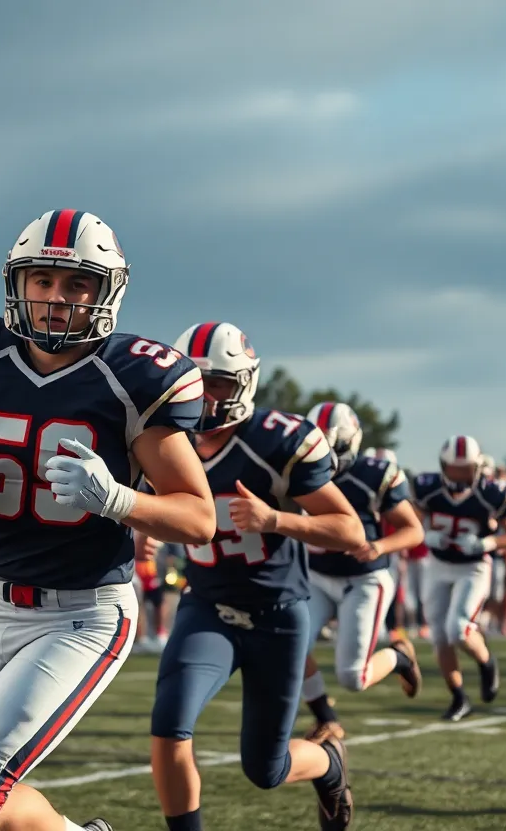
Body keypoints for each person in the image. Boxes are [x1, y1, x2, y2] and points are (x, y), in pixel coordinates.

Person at [0, 209, 216, 831]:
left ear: (106, 292)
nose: (56, 298)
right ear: (19, 283)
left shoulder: (134, 378)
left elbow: (199, 518)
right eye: (43, 281)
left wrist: (119, 499)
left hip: (81, 611)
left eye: (77, 285)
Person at [141, 321, 363, 831]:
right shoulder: (158, 435)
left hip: (276, 617)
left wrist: (275, 520)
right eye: (192, 379)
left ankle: (329, 765)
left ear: (243, 383)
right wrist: (142, 529)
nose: (202, 394)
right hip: (206, 608)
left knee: (266, 769)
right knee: (169, 724)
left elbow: (349, 530)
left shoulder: (276, 440)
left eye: (215, 382)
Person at [296, 402, 424, 744]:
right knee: (290, 646)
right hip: (318, 576)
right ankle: (327, 719)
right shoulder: (292, 466)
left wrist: (379, 547)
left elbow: (413, 530)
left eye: (330, 444)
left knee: (353, 677)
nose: (323, 454)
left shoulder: (373, 474)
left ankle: (399, 656)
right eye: (316, 443)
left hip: (364, 577)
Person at [410, 435, 506, 721]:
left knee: (458, 628)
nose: (460, 475)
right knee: (439, 635)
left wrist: (487, 543)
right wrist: (425, 535)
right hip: (437, 564)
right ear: (443, 466)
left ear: (477, 467)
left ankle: (487, 662)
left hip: (473, 567)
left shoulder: (492, 492)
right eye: (455, 468)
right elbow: (408, 523)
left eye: (466, 469)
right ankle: (459, 697)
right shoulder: (427, 488)